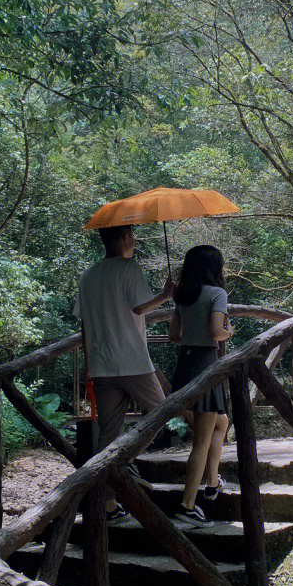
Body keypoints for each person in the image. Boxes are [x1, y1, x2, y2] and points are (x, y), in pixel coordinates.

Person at [75, 224, 174, 522]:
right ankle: (122, 461)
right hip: (132, 361)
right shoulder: (129, 268)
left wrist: (88, 366)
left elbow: (84, 326)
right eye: (132, 233)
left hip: (102, 365)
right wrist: (167, 294)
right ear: (124, 237)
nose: (134, 238)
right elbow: (140, 307)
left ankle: (106, 502)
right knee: (161, 412)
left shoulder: (88, 275)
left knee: (107, 433)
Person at [167, 244, 233, 527]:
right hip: (206, 366)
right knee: (201, 440)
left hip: (184, 365)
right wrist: (228, 331)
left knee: (221, 423)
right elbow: (216, 332)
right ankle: (187, 505)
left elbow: (173, 336)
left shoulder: (183, 295)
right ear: (213, 267)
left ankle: (212, 482)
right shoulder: (217, 294)